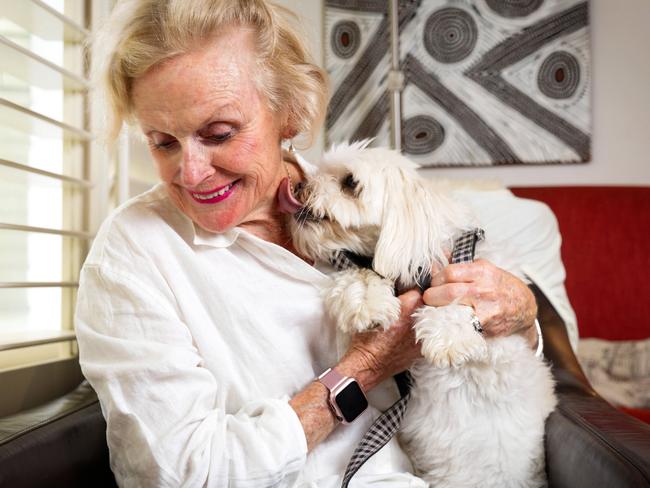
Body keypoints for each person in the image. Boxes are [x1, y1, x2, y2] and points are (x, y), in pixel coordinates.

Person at [75, 1, 576, 486]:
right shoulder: (134, 254)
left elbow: (509, 379)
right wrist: (361, 371)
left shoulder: (382, 210)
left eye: (220, 133)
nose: (190, 173)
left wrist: (521, 318)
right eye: (162, 141)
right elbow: (181, 475)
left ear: (289, 112)